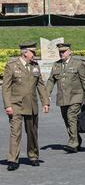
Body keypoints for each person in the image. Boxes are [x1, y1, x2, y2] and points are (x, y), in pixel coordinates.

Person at [2, 42, 50, 171]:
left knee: (32, 133)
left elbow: (40, 85)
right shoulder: (11, 66)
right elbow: (5, 88)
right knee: (15, 133)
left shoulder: (35, 66)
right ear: (25, 53)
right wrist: (7, 105)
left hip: (31, 105)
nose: (34, 54)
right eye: (32, 52)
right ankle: (13, 160)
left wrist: (45, 102)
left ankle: (33, 156)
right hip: (15, 105)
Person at [46, 43, 85, 153]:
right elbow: (51, 80)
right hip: (62, 98)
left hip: (76, 96)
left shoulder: (77, 64)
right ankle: (77, 140)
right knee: (67, 120)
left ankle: (73, 142)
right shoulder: (56, 65)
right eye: (60, 52)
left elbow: (84, 80)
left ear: (70, 51)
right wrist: (47, 94)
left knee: (71, 116)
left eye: (63, 52)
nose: (61, 54)